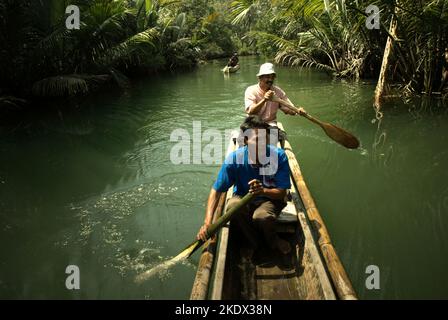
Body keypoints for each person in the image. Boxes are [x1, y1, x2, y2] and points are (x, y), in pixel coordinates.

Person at [196, 116, 292, 255]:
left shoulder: (278, 156)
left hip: (270, 199)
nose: (262, 143)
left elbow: (282, 193)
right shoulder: (235, 159)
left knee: (262, 216)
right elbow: (216, 190)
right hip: (243, 197)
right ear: (246, 140)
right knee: (232, 206)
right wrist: (207, 222)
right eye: (257, 140)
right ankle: (253, 243)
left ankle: (273, 241)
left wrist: (263, 191)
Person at [245, 62, 306, 127]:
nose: (270, 79)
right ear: (260, 78)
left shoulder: (278, 91)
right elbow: (250, 111)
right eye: (267, 77)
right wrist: (264, 100)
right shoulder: (251, 90)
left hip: (270, 123)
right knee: (257, 135)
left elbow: (290, 109)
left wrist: (298, 111)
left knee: (277, 136)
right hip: (253, 123)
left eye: (272, 77)